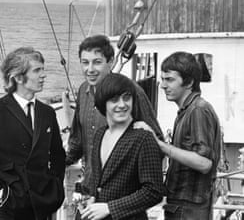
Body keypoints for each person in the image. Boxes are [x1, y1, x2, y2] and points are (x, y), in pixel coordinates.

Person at [0, 47, 66, 220]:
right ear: (18, 77)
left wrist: (56, 189)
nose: (44, 75)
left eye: (43, 69)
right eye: (37, 70)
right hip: (11, 206)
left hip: (44, 204)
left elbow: (58, 155)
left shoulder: (47, 113)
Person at [66, 34, 164, 191]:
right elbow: (77, 141)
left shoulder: (131, 91)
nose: (90, 69)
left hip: (122, 194)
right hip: (90, 189)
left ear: (110, 62)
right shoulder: (83, 90)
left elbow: (156, 143)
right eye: (85, 63)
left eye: (97, 62)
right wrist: (55, 162)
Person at [78, 73, 164, 220]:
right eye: (114, 100)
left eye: (126, 98)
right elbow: (98, 181)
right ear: (103, 103)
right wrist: (92, 198)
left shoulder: (143, 137)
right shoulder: (99, 134)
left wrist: (110, 208)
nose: (122, 104)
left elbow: (154, 191)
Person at [152, 51, 221, 219]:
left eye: (169, 79)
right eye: (162, 79)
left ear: (189, 82)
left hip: (189, 210)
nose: (163, 85)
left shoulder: (198, 110)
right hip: (181, 207)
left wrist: (163, 147)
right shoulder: (186, 111)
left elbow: (204, 163)